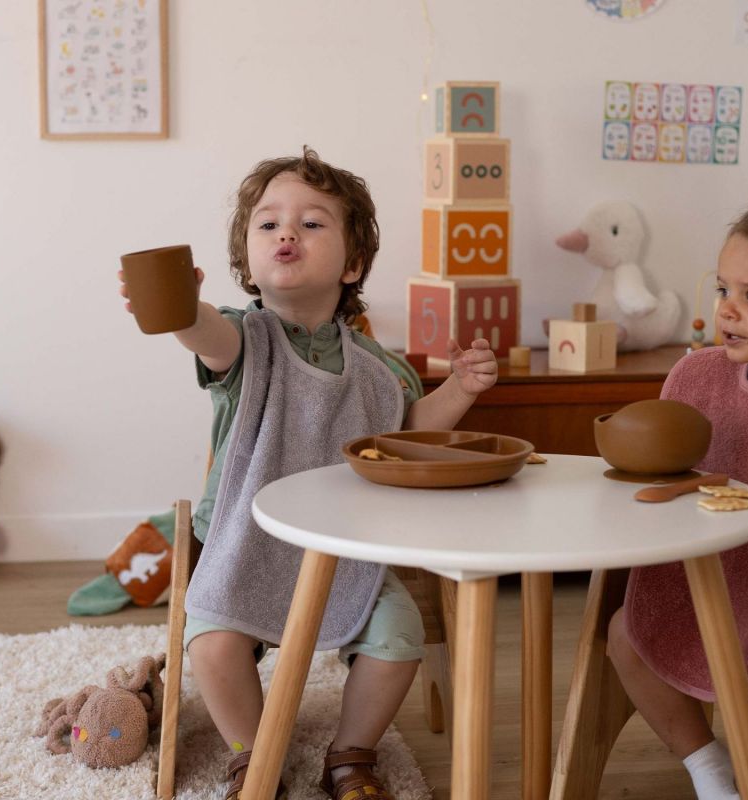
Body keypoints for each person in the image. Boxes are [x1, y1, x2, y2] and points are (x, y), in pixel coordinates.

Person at [118, 147, 497, 800]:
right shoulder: (245, 341)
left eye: (312, 223)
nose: (286, 232)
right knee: (212, 645)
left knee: (399, 639)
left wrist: (460, 391)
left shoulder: (377, 367)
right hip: (244, 537)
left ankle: (351, 753)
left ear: (351, 264)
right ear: (248, 257)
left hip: (343, 546)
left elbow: (407, 429)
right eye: (267, 224)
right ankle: (252, 752)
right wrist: (178, 306)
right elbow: (203, 331)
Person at [607, 199, 748, 799]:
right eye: (722, 288)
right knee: (627, 639)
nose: (727, 310)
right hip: (707, 581)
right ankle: (707, 769)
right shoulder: (695, 378)